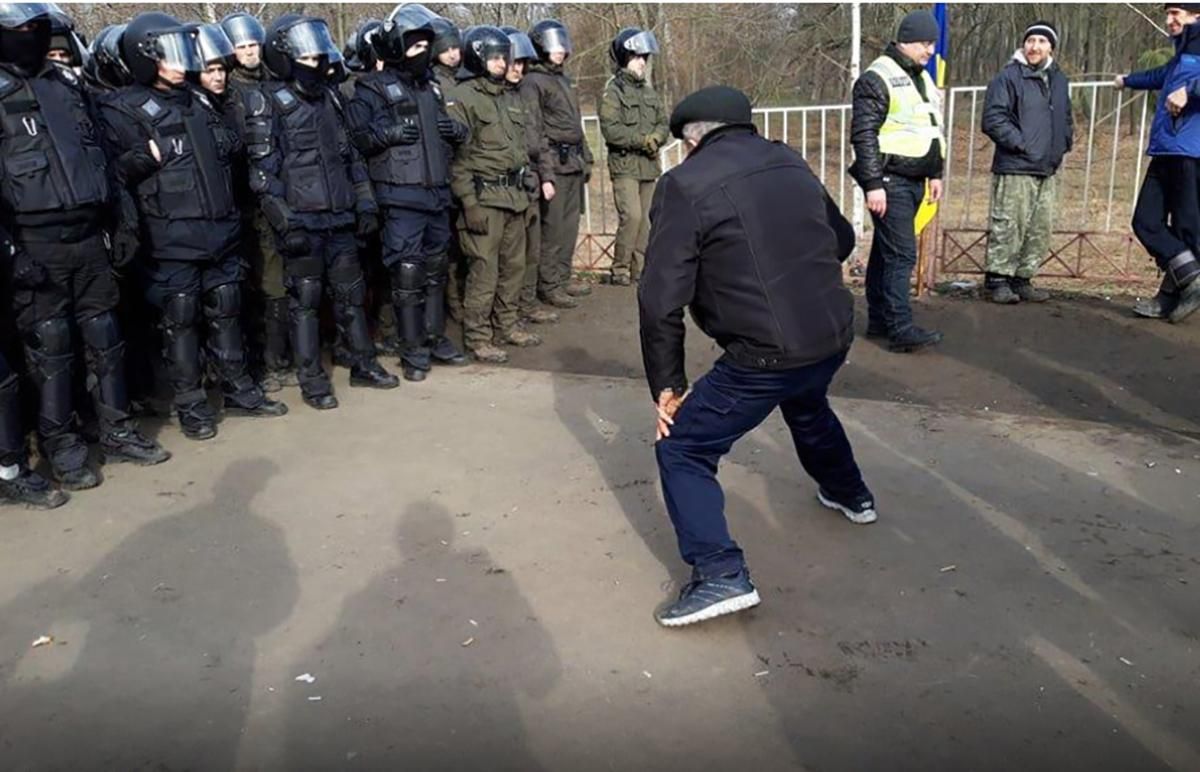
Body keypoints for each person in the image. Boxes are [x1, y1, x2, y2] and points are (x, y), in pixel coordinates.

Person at [640, 86, 875, 628]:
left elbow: (659, 300)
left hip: (765, 354)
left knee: (684, 449)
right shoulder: (788, 161)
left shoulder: (684, 185)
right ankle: (850, 493)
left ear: (692, 141)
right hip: (832, 333)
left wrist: (668, 387)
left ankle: (720, 572)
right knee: (807, 402)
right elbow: (840, 239)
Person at [1, 2, 169, 490]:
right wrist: (13, 253)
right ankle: (63, 446)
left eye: (38, 28)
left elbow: (106, 164)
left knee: (105, 336)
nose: (31, 37)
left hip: (89, 236)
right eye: (20, 30)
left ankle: (116, 429)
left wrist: (122, 224)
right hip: (35, 242)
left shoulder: (70, 88)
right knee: (52, 348)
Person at [100, 12, 288, 440]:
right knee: (180, 321)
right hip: (170, 238)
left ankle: (238, 387)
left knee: (226, 308)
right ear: (145, 57)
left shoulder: (199, 99)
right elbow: (109, 174)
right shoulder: (122, 108)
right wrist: (140, 160)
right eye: (170, 54)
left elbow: (230, 152)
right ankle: (191, 403)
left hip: (219, 229)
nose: (182, 62)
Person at [252, 14, 399, 409]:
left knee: (352, 296)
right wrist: (286, 222)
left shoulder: (332, 97)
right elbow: (263, 175)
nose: (316, 63)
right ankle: (312, 379)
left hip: (340, 217)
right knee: (306, 301)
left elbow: (351, 157)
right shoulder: (267, 101)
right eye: (308, 56)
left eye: (319, 55)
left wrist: (365, 202)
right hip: (302, 221)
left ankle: (363, 364)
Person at [348, 3, 469, 382]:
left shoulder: (432, 88)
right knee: (408, 274)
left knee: (435, 272)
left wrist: (452, 132)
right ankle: (412, 347)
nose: (423, 54)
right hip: (400, 198)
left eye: (425, 47)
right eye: (415, 47)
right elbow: (356, 139)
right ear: (398, 48)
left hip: (435, 194)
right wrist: (387, 135)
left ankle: (433, 338)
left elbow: (442, 138)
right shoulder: (373, 88)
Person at [850, 9, 946, 353]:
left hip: (913, 177)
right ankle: (900, 327)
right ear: (906, 41)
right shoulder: (877, 77)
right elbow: (863, 134)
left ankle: (879, 319)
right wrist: (873, 183)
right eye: (925, 43)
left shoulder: (921, 77)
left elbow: (931, 127)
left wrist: (935, 172)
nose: (930, 50)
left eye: (933, 43)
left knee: (886, 252)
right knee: (902, 254)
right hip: (889, 179)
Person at [447, 26, 540, 363]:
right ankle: (478, 337)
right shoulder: (464, 98)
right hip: (485, 199)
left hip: (515, 195)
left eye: (505, 57)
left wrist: (528, 191)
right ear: (478, 56)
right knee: (484, 271)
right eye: (496, 57)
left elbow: (520, 151)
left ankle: (507, 325)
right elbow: (459, 159)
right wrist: (468, 203)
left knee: (514, 267)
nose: (503, 64)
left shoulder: (509, 97)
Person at [222, 11, 295, 392]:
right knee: (255, 285)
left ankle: (277, 359)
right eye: (242, 47)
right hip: (243, 201)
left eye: (254, 45)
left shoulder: (276, 82)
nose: (250, 53)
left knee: (279, 282)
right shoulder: (225, 90)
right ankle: (262, 363)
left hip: (279, 195)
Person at [1118, 3, 1200, 323]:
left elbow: (1186, 85)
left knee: (1188, 230)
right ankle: (1190, 280)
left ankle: (1168, 297)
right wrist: (1127, 80)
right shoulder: (1184, 51)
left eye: (1177, 12)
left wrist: (1190, 91)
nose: (1169, 20)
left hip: (1191, 152)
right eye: (1167, 13)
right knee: (1145, 221)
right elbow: (1161, 75)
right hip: (1167, 149)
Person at [981, 21, 1073, 304]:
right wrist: (1023, 145)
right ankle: (998, 279)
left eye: (1042, 42)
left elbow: (1066, 118)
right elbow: (993, 119)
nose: (1035, 47)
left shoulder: (1060, 80)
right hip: (1016, 165)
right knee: (1009, 223)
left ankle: (1023, 278)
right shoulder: (1008, 77)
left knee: (1039, 227)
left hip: (1047, 167)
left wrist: (1063, 144)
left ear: (1051, 48)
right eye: (1030, 41)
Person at [525, 18, 594, 308]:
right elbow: (535, 129)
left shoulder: (564, 79)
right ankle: (549, 284)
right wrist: (546, 174)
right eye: (554, 45)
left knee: (569, 227)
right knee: (552, 229)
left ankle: (562, 277)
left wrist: (587, 156)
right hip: (553, 160)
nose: (560, 50)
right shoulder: (533, 81)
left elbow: (575, 124)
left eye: (562, 44)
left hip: (573, 161)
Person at [599, 27, 669, 286]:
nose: (642, 62)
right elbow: (611, 130)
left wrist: (657, 138)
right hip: (625, 165)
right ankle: (620, 269)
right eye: (637, 57)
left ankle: (640, 270)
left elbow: (663, 122)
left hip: (648, 166)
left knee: (647, 220)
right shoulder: (612, 91)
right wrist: (642, 140)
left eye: (645, 57)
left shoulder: (649, 92)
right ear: (625, 57)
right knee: (632, 217)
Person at [502, 26, 560, 327]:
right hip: (507, 189)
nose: (518, 68)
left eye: (522, 63)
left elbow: (540, 140)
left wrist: (547, 177)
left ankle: (526, 304)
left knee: (532, 252)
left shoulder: (526, 94)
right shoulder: (498, 97)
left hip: (532, 184)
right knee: (511, 258)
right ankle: (508, 314)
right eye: (513, 62)